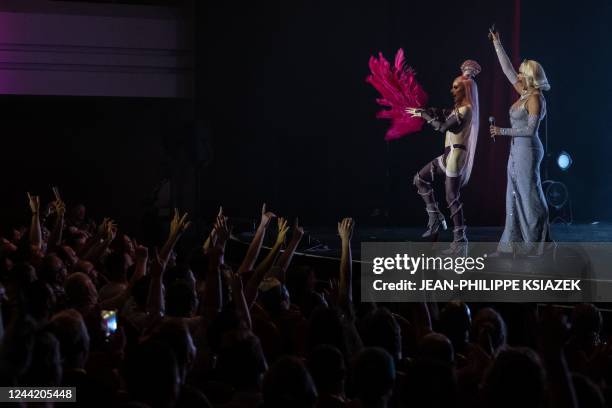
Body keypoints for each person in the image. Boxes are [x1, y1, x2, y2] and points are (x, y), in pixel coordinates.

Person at [406, 60, 481, 253]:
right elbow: (440, 112)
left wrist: (424, 115)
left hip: (456, 156)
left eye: (456, 87)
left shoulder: (467, 111)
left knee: (451, 198)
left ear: (466, 90)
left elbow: (441, 127)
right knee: (419, 179)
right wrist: (422, 111)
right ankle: (435, 216)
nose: (452, 90)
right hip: (448, 154)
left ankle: (461, 240)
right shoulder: (458, 109)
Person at [489, 29, 551, 255]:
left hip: (528, 149)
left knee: (528, 194)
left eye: (522, 73)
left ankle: (537, 242)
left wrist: (501, 131)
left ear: (530, 76)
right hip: (517, 151)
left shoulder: (535, 98)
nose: (518, 74)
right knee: (513, 195)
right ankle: (512, 245)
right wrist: (497, 42)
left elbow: (530, 130)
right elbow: (506, 69)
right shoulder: (524, 93)